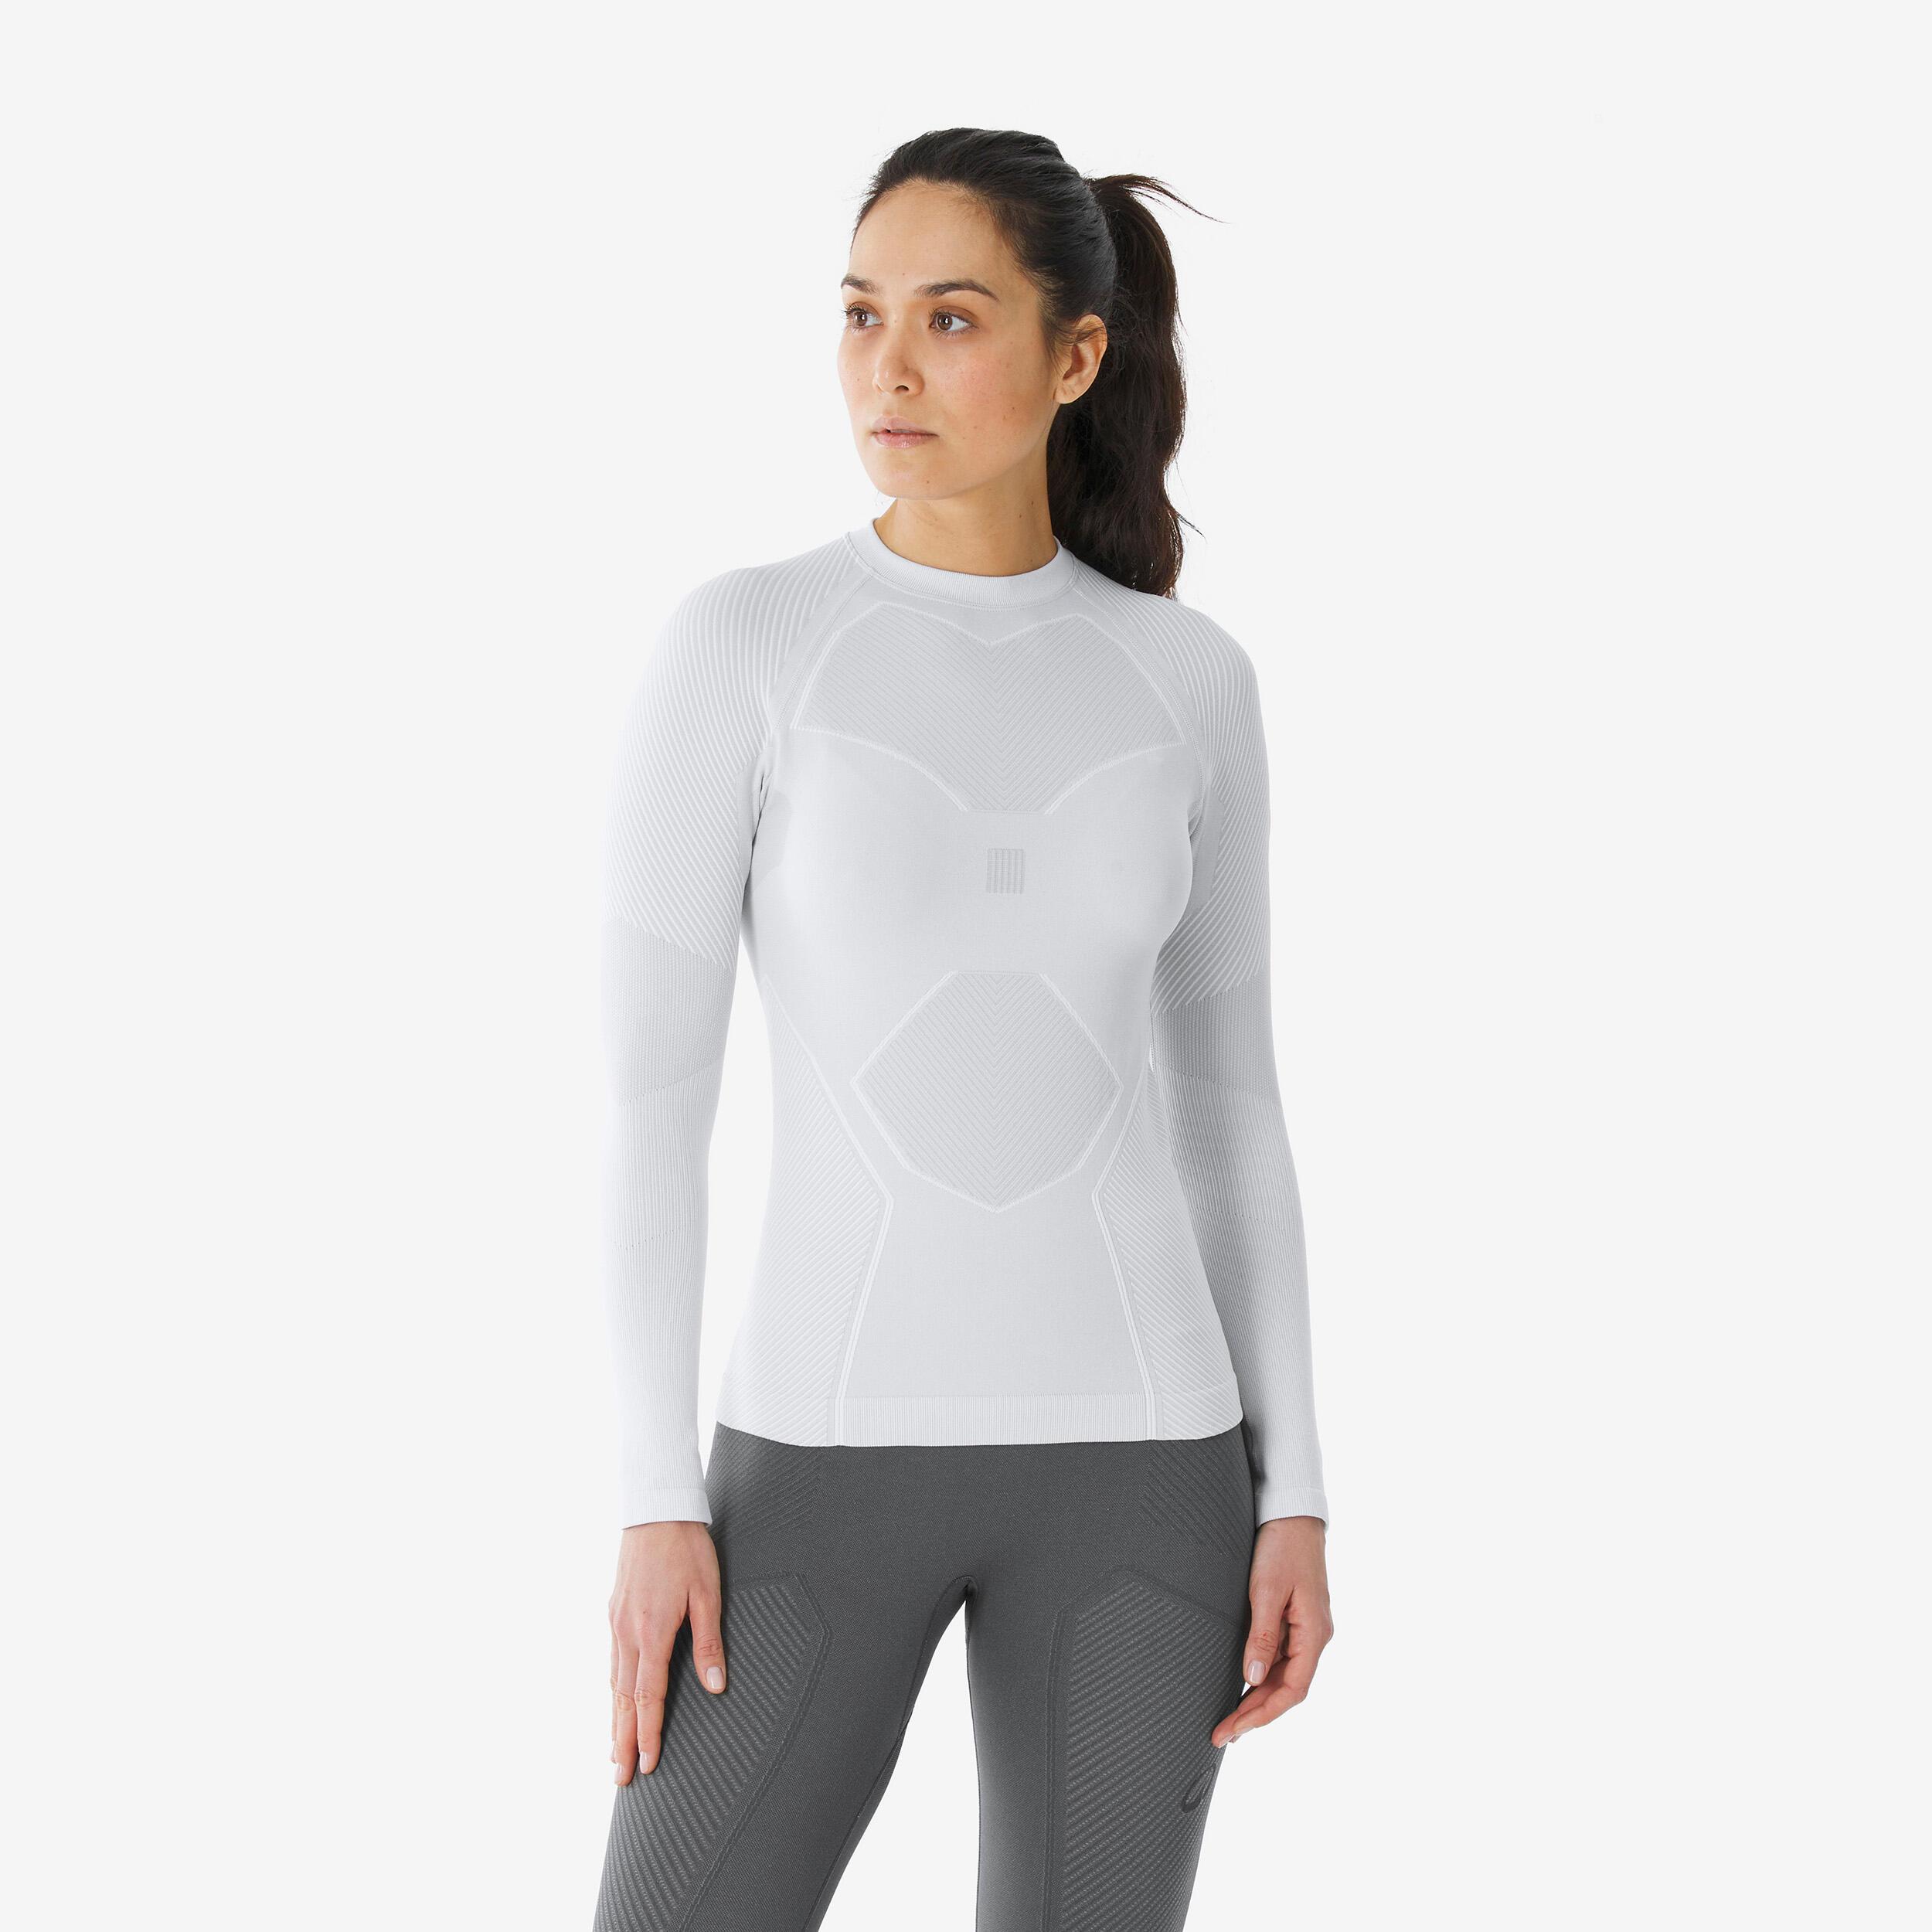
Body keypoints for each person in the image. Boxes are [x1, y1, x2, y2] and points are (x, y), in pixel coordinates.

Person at [592, 127, 1334, 1932]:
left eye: (948, 316)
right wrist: (650, 1492)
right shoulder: (747, 644)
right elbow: (646, 1102)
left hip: (1149, 1465)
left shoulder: (1186, 679)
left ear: (1075, 354)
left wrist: (1297, 1487)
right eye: (859, 314)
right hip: (812, 1460)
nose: (888, 367)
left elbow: (1232, 1103)